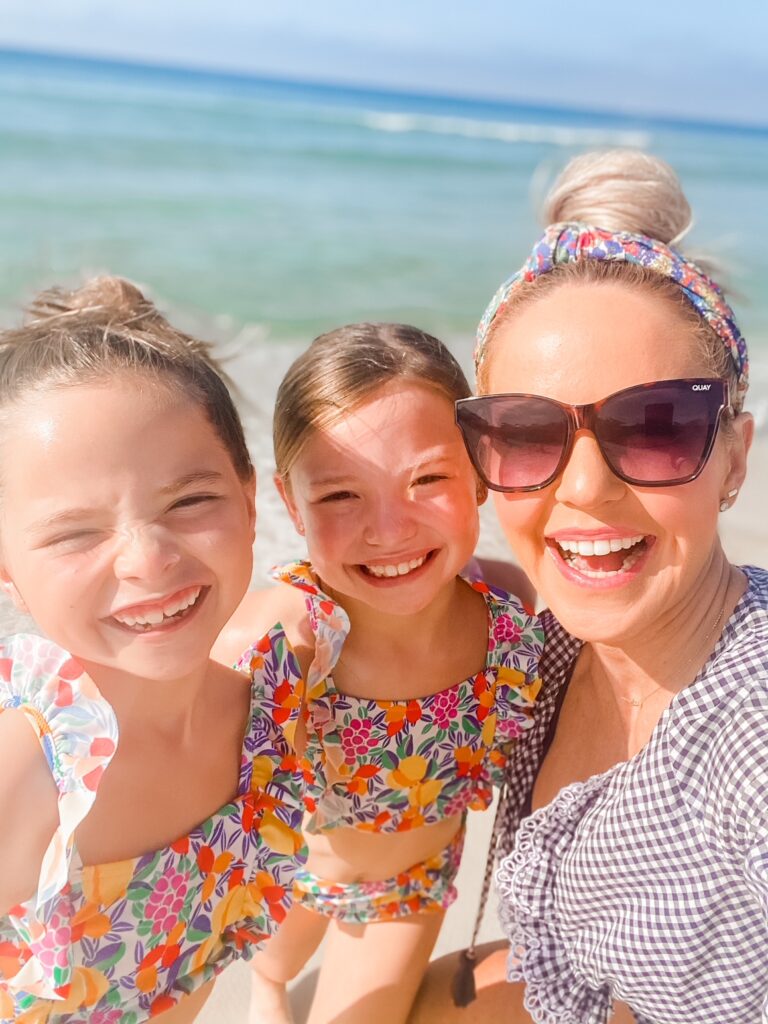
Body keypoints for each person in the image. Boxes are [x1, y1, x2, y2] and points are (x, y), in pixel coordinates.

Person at [411, 148, 766, 1024]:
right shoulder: (559, 633)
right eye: (527, 434)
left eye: (654, 428)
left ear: (733, 457)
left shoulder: (749, 737)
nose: (582, 490)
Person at [213, 322, 544, 1024]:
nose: (389, 529)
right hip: (297, 875)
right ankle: (272, 991)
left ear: (481, 469)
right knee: (270, 965)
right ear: (291, 502)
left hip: (407, 886)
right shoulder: (297, 635)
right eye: (340, 496)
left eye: (427, 479)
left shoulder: (512, 609)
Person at [0, 279, 308, 1023]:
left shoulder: (267, 714)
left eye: (189, 502)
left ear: (250, 498)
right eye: (76, 532)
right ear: (7, 569)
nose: (147, 560)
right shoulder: (30, 776)